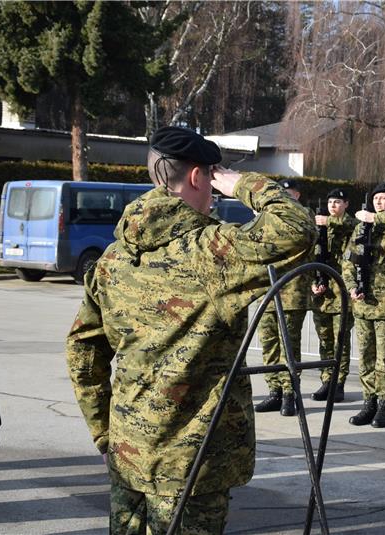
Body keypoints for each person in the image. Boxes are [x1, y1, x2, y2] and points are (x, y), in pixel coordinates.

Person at [65, 126, 316, 534]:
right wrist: (242, 183)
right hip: (193, 462)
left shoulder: (113, 256)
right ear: (199, 177)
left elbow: (83, 351)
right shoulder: (209, 251)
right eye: (212, 179)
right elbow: (296, 227)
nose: (216, 194)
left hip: (128, 451)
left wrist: (104, 435)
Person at [342, 181, 385, 428]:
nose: (379, 202)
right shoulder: (362, 229)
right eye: (376, 199)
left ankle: (384, 403)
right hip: (363, 304)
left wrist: (374, 218)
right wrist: (352, 286)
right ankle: (368, 401)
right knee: (366, 357)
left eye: (384, 198)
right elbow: (348, 261)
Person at [253, 178, 315, 417]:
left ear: (297, 195)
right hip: (268, 291)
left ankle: (291, 393)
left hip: (292, 291)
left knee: (289, 346)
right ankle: (275, 390)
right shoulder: (266, 218)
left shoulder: (303, 217)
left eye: (287, 193)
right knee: (269, 343)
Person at [310, 188, 358, 403]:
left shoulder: (351, 226)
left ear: (346, 204)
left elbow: (348, 225)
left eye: (337, 202)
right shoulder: (322, 226)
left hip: (341, 295)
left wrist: (324, 222)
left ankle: (338, 383)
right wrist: (313, 282)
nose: (333, 206)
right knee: (324, 340)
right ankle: (326, 380)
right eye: (330, 202)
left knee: (341, 342)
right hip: (323, 295)